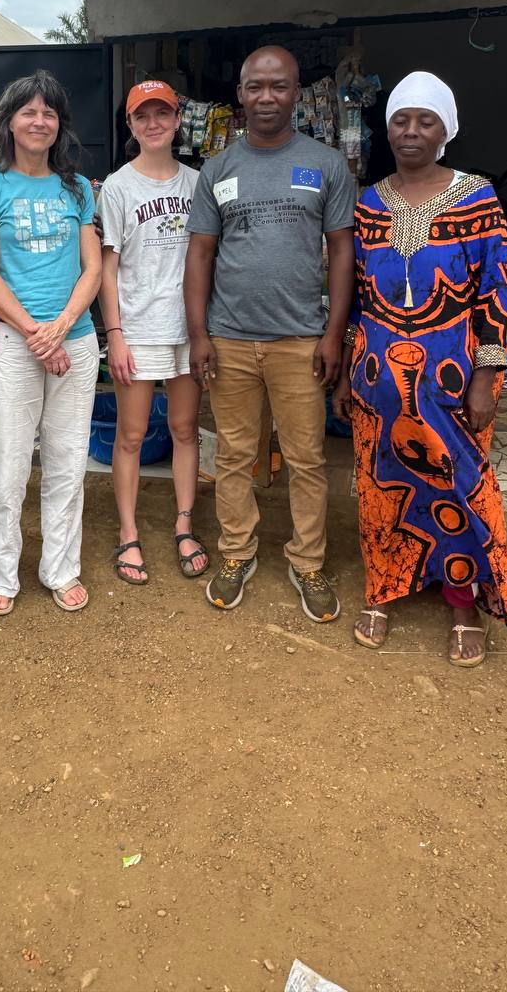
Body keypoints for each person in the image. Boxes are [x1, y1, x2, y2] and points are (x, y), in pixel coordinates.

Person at [332, 71, 507, 666]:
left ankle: (462, 601)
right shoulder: (367, 204)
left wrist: (489, 375)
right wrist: (344, 374)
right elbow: (357, 296)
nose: (410, 132)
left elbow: (499, 289)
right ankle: (385, 587)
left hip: (456, 380)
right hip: (375, 380)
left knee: (459, 484)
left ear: (446, 130)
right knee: (380, 485)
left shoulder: (478, 199)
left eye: (425, 121)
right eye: (400, 120)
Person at [184, 46, 356, 618]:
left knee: (307, 458)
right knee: (233, 456)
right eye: (255, 87)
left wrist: (333, 333)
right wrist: (200, 334)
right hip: (230, 338)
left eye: (278, 87)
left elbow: (340, 252)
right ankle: (237, 553)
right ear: (240, 93)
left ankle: (308, 563)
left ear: (296, 91)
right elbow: (201, 255)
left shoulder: (327, 165)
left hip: (301, 341)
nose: (266, 97)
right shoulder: (218, 169)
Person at [0, 69, 101, 615]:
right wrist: (35, 335)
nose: (39, 121)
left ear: (59, 125)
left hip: (77, 338)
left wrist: (61, 327)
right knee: (7, 464)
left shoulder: (78, 188)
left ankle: (60, 567)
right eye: (29, 111)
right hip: (11, 341)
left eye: (49, 112)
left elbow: (92, 269)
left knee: (69, 462)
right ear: (9, 121)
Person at [97, 80, 208, 585]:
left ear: (177, 120)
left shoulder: (197, 182)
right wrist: (114, 333)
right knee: (133, 435)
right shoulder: (119, 187)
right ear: (131, 125)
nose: (154, 123)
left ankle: (185, 524)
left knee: (185, 430)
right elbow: (108, 266)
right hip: (138, 329)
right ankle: (128, 532)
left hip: (186, 330)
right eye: (143, 116)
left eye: (162, 114)